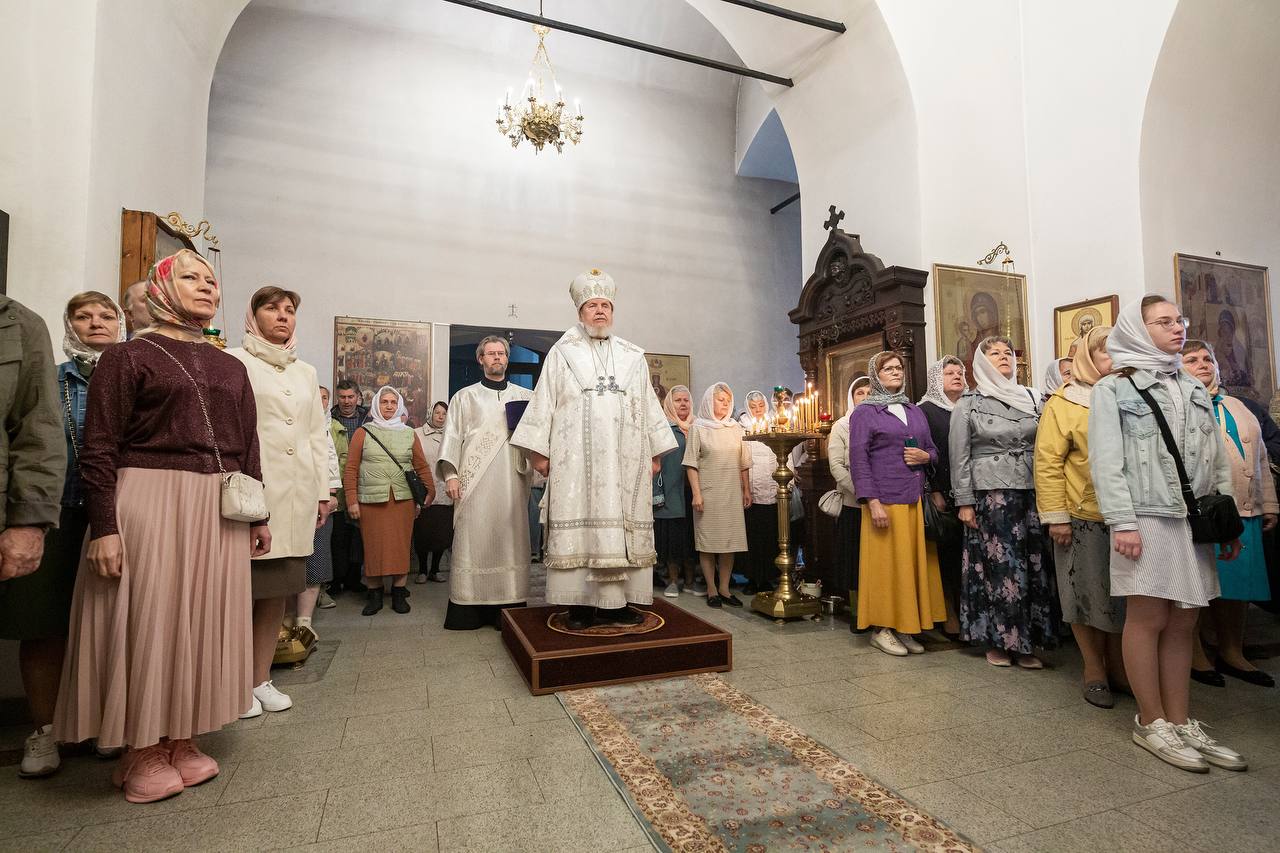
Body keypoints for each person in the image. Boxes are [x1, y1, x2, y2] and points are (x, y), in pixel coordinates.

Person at [55, 249, 269, 803]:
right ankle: (141, 749)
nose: (206, 287)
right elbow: (99, 447)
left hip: (216, 506)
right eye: (190, 277)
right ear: (160, 289)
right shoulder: (126, 356)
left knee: (200, 619)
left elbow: (249, 443)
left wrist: (259, 515)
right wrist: (105, 526)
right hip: (148, 497)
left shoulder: (231, 367)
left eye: (211, 279)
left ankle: (181, 738)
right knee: (151, 618)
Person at [1090, 295, 1246, 773]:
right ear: (1139, 330)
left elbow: (1216, 458)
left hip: (1192, 518)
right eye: (1164, 322)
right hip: (1146, 516)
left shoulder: (1193, 386)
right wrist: (1122, 521)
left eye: (1180, 319)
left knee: (1184, 620)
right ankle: (1151, 721)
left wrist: (1227, 518)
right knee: (1149, 617)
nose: (1178, 327)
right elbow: (1106, 461)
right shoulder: (1114, 388)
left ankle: (1180, 721)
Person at [512, 269, 677, 629]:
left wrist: (654, 454)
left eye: (605, 305)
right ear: (580, 312)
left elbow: (649, 405)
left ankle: (619, 604)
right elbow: (544, 402)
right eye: (592, 305)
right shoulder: (562, 353)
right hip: (575, 465)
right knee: (581, 533)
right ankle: (580, 607)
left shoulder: (632, 355)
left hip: (626, 463)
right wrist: (539, 452)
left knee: (624, 529)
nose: (600, 311)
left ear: (612, 311)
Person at [1, 292, 98, 777]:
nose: (96, 323)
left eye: (106, 315)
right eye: (84, 316)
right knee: (43, 625)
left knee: (105, 625)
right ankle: (44, 728)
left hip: (113, 517)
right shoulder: (53, 377)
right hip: (55, 511)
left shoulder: (135, 377)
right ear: (69, 324)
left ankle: (101, 721)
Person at [227, 286, 331, 717]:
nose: (283, 316)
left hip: (296, 494)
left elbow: (315, 435)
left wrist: (323, 491)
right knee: (239, 593)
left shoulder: (305, 372)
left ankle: (260, 677)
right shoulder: (234, 360)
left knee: (276, 593)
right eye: (272, 309)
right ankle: (232, 683)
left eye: (289, 310)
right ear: (253, 316)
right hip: (252, 492)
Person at [951, 336, 1059, 668]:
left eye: (1008, 353)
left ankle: (1026, 643)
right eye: (995, 353)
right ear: (981, 362)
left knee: (1031, 565)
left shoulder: (1033, 398)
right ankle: (996, 640)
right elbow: (959, 456)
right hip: (991, 495)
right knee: (997, 567)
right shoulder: (969, 403)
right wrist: (964, 501)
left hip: (1031, 490)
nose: (1004, 357)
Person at [1035, 325, 1128, 707]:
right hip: (1082, 512)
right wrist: (1057, 516)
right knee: (1086, 593)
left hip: (1131, 513)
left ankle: (1120, 666)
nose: (1115, 358)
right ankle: (1093, 668)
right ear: (1088, 358)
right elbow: (1048, 462)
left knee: (1123, 596)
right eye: (1106, 352)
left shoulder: (1132, 393)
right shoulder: (1065, 401)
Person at [1182, 341, 1277, 687]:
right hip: (1204, 514)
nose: (1203, 364)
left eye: (1208, 358)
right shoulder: (1181, 405)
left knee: (1239, 585)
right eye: (1192, 360)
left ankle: (1232, 651)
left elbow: (1261, 457)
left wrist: (1269, 503)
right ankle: (1196, 653)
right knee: (1200, 586)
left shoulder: (1239, 406)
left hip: (1243, 508)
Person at [849, 352, 944, 655]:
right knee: (885, 567)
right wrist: (872, 501)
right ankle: (882, 629)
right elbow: (858, 460)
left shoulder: (913, 410)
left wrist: (926, 456)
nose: (895, 372)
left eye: (899, 367)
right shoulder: (865, 413)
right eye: (887, 369)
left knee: (909, 565)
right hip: (885, 499)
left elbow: (933, 450)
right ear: (875, 375)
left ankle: (905, 625)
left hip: (914, 498)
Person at [437, 337, 532, 629]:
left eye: (501, 353)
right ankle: (469, 608)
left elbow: (537, 439)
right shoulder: (464, 397)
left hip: (512, 480)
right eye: (491, 354)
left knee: (509, 539)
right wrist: (451, 475)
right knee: (473, 539)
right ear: (481, 359)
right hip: (473, 483)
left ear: (507, 358)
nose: (497, 358)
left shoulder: (526, 396)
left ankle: (509, 604)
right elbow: (451, 437)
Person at [344, 387, 434, 616]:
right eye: (384, 401)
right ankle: (374, 595)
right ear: (376, 404)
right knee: (373, 548)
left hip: (402, 501)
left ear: (399, 406)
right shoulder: (363, 433)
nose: (389, 406)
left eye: (393, 402)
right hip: (371, 502)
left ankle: (398, 593)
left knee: (401, 547)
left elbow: (421, 465)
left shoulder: (409, 433)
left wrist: (430, 491)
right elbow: (351, 468)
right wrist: (352, 500)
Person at [684, 383, 752, 609]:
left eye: (727, 400)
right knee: (708, 542)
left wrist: (746, 489)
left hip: (732, 491)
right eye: (720, 399)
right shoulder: (698, 427)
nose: (725, 403)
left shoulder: (735, 428)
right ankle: (711, 589)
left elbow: (744, 462)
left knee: (729, 542)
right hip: (708, 492)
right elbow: (691, 464)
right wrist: (696, 494)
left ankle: (724, 588)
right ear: (708, 401)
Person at [917, 357, 967, 637]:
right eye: (949, 373)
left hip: (970, 489)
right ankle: (948, 611)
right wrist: (935, 489)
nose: (957, 376)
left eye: (960, 372)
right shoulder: (925, 410)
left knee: (968, 555)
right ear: (937, 379)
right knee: (947, 553)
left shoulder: (970, 405)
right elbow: (926, 452)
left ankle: (968, 610)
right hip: (943, 489)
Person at [829, 376, 870, 627]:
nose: (864, 398)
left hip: (881, 501)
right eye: (859, 393)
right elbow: (836, 466)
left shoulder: (881, 421)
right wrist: (863, 490)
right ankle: (858, 612)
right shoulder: (842, 426)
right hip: (854, 502)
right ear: (851, 398)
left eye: (869, 392)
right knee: (855, 560)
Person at [301, 386, 341, 619]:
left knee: (317, 556)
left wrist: (331, 493)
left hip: (320, 499)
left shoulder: (328, 427)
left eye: (324, 397)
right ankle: (286, 618)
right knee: (291, 561)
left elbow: (331, 462)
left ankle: (304, 621)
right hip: (293, 496)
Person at [329, 379, 370, 596]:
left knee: (358, 536)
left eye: (350, 397)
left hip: (361, 484)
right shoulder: (329, 419)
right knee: (337, 536)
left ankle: (354, 578)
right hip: (336, 485)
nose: (346, 401)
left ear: (358, 397)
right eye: (342, 397)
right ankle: (336, 579)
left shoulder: (368, 420)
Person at [655, 385, 695, 597]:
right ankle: (672, 580)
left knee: (691, 537)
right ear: (670, 403)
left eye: (686, 400)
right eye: (678, 400)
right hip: (672, 490)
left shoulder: (698, 426)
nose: (683, 404)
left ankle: (690, 581)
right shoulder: (664, 427)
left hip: (694, 491)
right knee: (673, 539)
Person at [741, 390, 779, 595]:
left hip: (771, 489)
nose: (757, 410)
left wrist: (786, 483)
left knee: (770, 536)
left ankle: (766, 578)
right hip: (750, 491)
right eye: (753, 406)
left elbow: (783, 453)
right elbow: (741, 459)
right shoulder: (743, 428)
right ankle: (751, 578)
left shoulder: (775, 425)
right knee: (751, 536)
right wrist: (744, 488)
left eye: (761, 406)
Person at [412, 401, 453, 584]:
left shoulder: (452, 435)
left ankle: (435, 570)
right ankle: (422, 570)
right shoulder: (417, 434)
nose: (440, 417)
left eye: (444, 413)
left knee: (441, 534)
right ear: (430, 413)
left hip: (444, 491)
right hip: (425, 490)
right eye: (437, 413)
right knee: (422, 533)